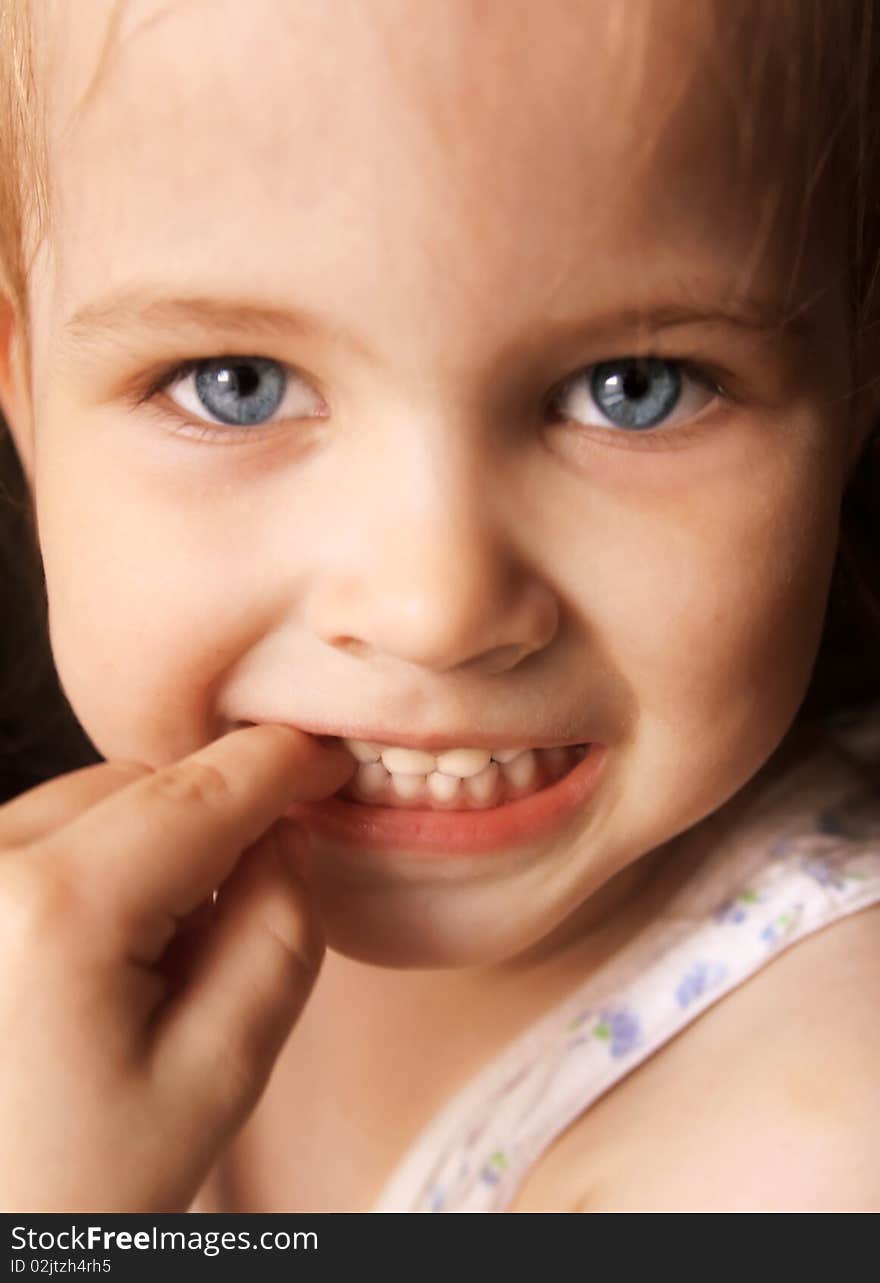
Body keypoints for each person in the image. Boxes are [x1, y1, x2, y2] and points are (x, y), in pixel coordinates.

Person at [0, 0, 879, 1213]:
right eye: (236, 385)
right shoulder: (39, 962)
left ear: (856, 372)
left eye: (634, 387)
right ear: (25, 390)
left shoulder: (822, 1134)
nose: (434, 606)